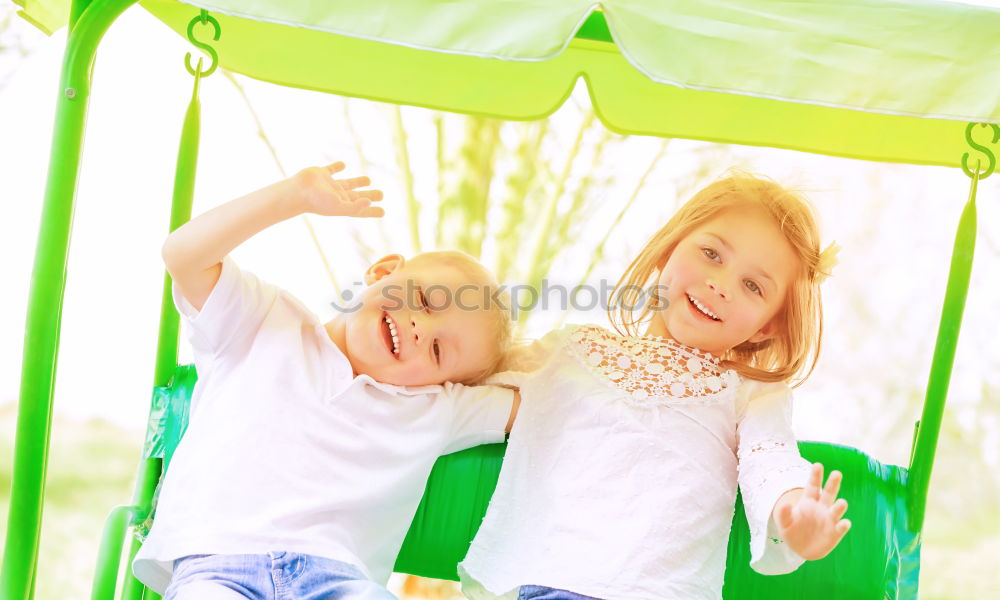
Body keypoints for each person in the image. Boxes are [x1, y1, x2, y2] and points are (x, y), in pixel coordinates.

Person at [131, 162, 519, 599]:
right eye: (427, 302)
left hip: (339, 580)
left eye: (437, 352)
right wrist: (293, 195)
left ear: (448, 380)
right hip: (218, 567)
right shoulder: (262, 321)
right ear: (383, 271)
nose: (419, 331)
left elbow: (541, 401)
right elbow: (183, 256)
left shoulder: (437, 407)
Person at [459, 172, 850, 600]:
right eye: (711, 254)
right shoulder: (570, 350)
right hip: (544, 580)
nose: (720, 285)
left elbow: (770, 459)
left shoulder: (748, 394)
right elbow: (465, 373)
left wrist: (793, 509)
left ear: (767, 326)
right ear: (669, 249)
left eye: (753, 285)